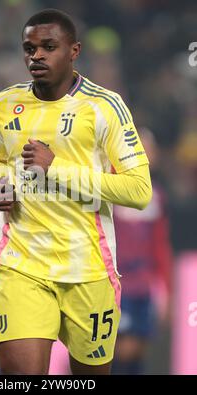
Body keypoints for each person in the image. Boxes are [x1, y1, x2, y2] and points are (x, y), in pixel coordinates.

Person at [0, 9, 152, 375]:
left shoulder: (104, 106)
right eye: (29, 48)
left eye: (49, 47)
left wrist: (55, 169)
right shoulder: (5, 104)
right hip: (22, 264)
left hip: (87, 268)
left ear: (74, 51)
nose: (37, 56)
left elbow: (139, 190)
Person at [112, 128, 173, 375]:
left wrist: (166, 288)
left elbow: (160, 245)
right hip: (117, 282)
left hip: (144, 283)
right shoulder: (111, 189)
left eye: (150, 150)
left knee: (137, 349)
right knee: (120, 348)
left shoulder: (157, 196)